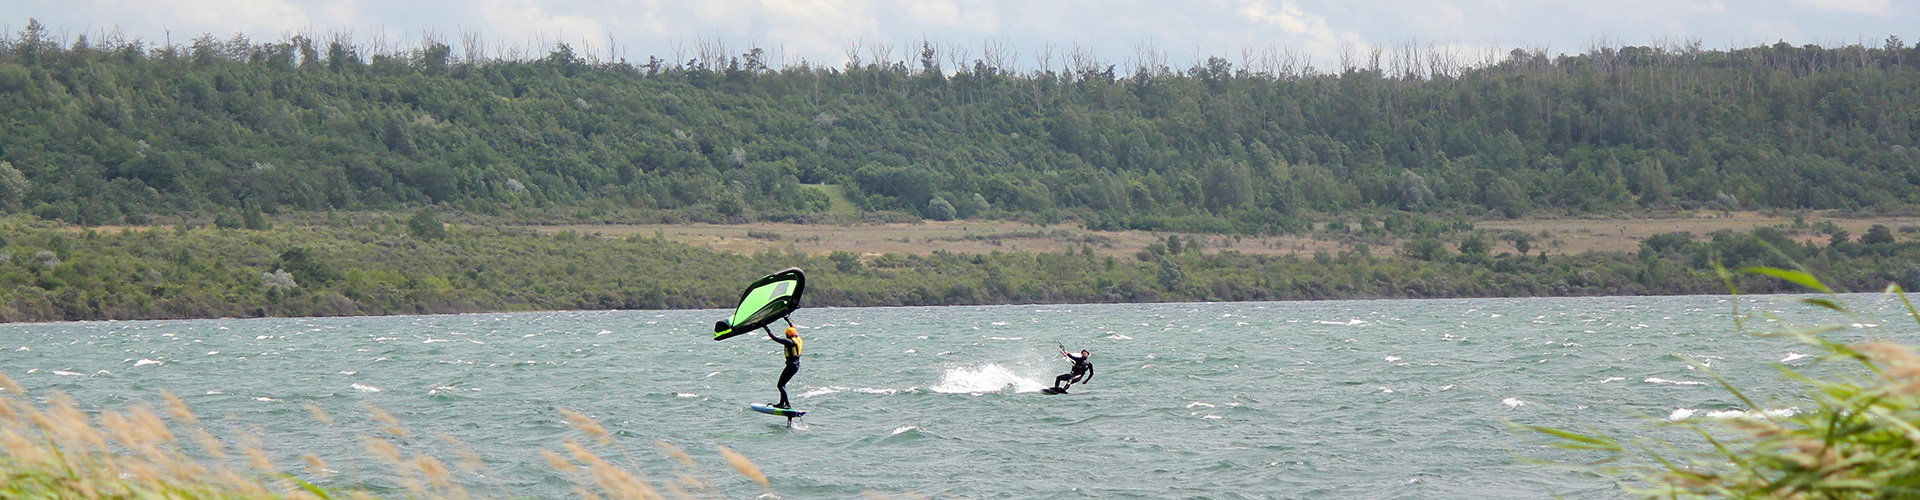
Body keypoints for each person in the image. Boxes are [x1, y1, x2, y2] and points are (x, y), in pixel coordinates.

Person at [766, 319, 802, 409]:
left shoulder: (789, 342)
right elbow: (793, 329)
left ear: (788, 335)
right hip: (795, 366)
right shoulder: (797, 339)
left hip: (791, 366)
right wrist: (788, 320)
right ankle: (782, 403)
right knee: (782, 385)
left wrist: (766, 328)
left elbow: (775, 338)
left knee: (780, 385)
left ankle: (787, 405)